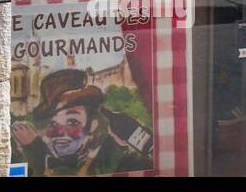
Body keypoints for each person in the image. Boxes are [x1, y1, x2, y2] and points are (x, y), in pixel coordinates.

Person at [11, 68, 154, 176]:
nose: (59, 133)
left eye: (72, 122)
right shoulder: (47, 161)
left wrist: (35, 150)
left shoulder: (130, 163)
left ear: (93, 125)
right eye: (53, 124)